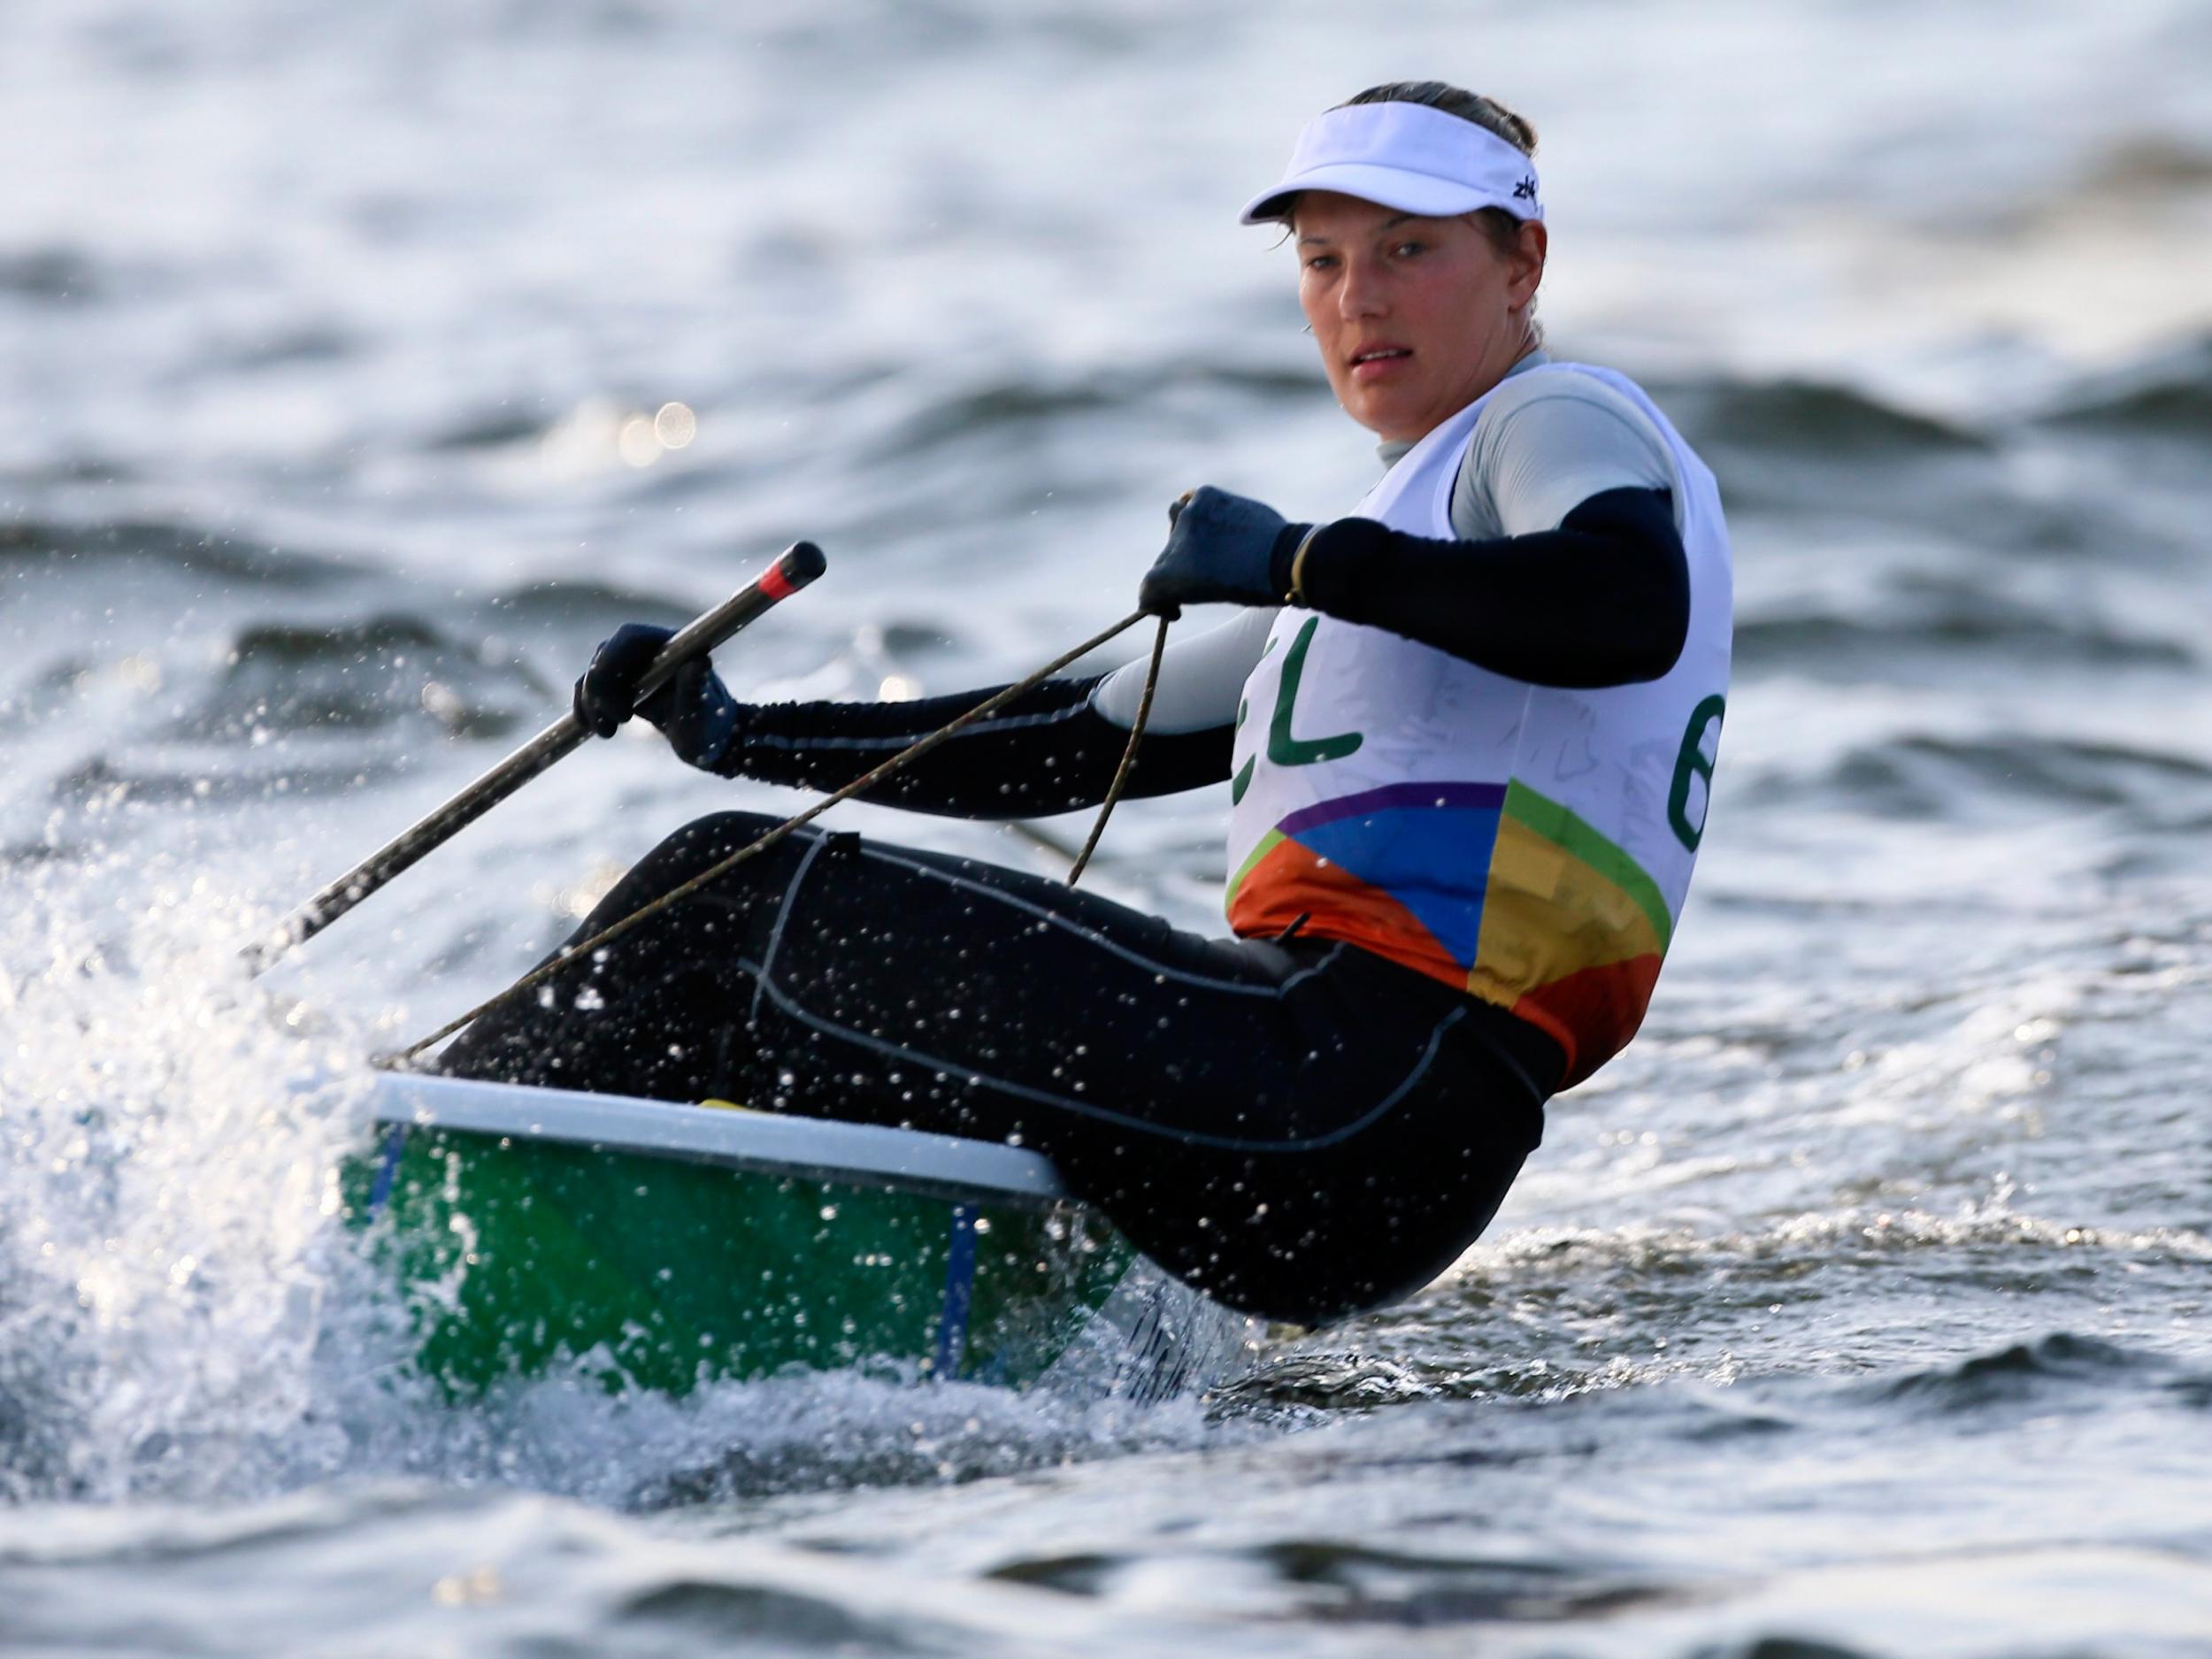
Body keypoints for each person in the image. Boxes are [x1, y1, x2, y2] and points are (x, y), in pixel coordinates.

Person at [440, 81, 1732, 1327]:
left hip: (1356, 1090)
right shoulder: (1416, 549)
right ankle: (655, 1275)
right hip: (1371, 1145)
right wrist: (740, 733)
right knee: (784, 987)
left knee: (724, 900)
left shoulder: (1552, 418)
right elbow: (1069, 739)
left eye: (1408, 249)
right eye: (1322, 259)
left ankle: (409, 1205)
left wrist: (1293, 558)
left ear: (1523, 266)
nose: (1359, 297)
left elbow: (1623, 603)